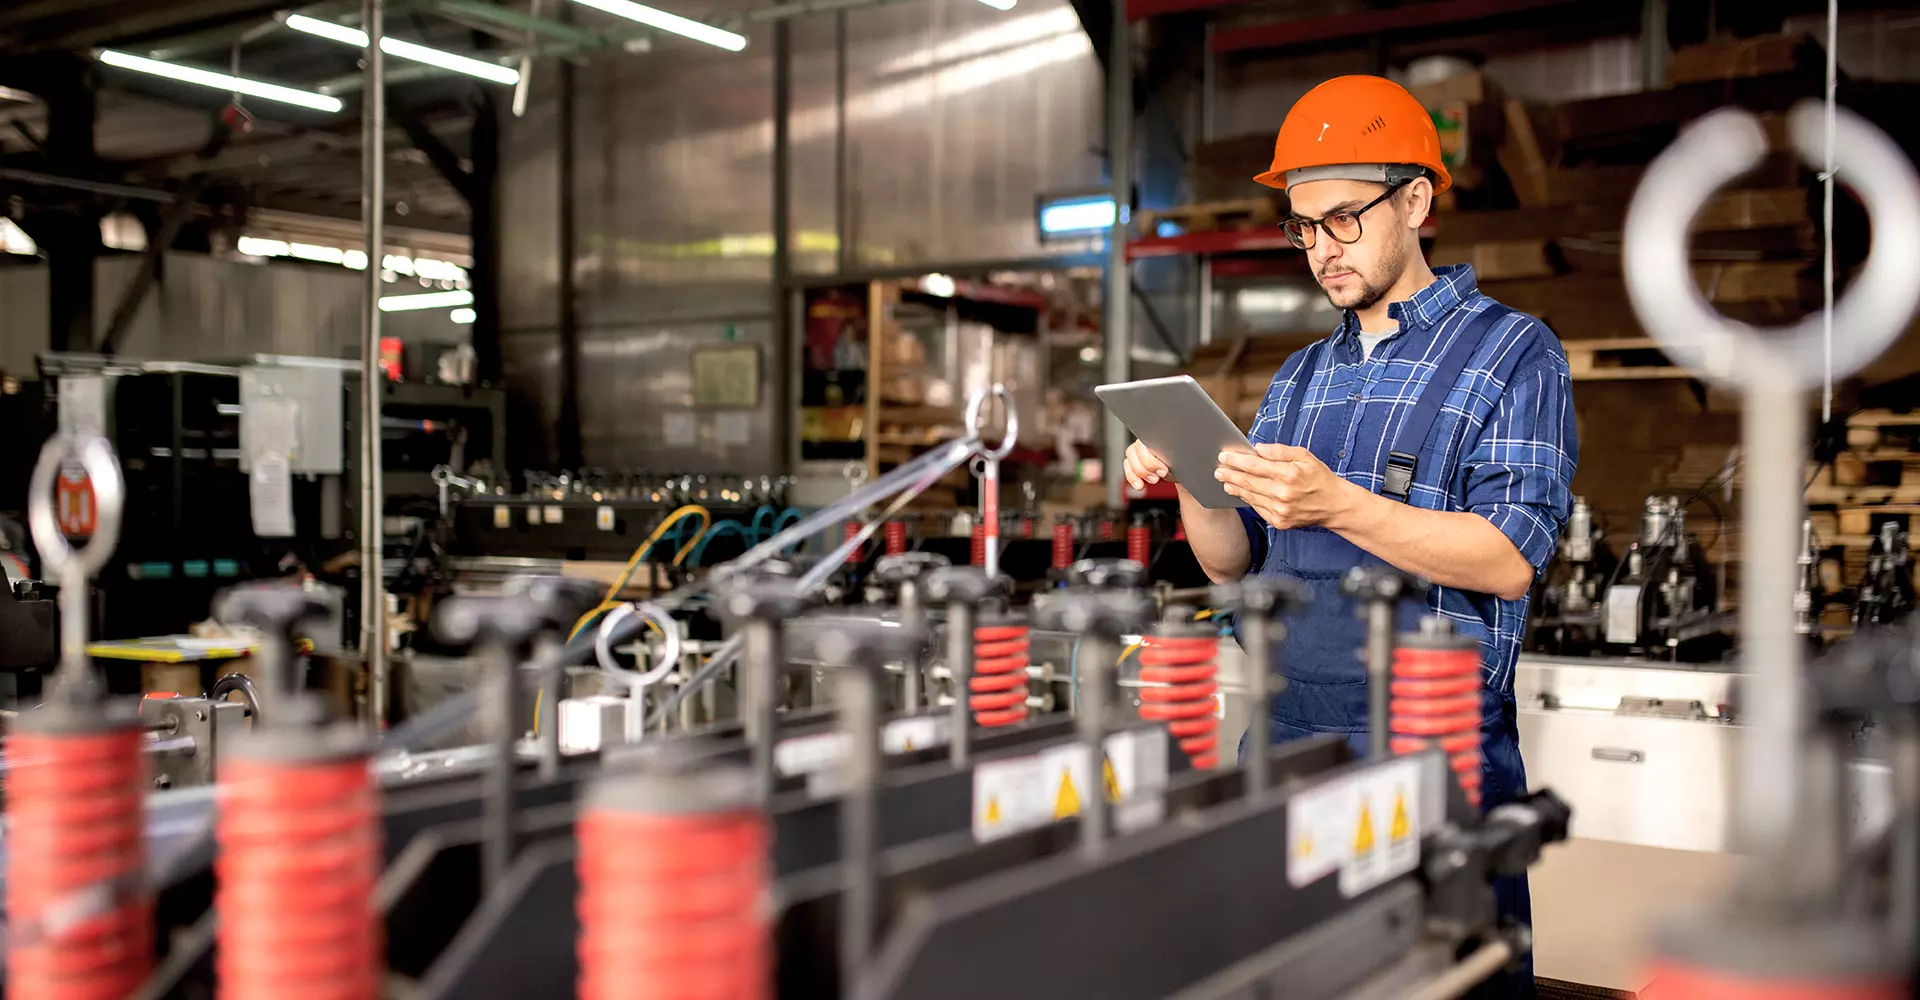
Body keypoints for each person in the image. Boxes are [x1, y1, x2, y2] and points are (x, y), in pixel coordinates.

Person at [1122, 74, 1577, 999]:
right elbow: (1233, 560)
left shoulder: (1515, 352)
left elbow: (1507, 559)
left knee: (1443, 979)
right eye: (1302, 226)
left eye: (1344, 219)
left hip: (1431, 744)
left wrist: (1337, 504)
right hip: (1287, 730)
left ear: (1416, 200)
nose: (1321, 249)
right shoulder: (1298, 377)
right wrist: (1191, 478)